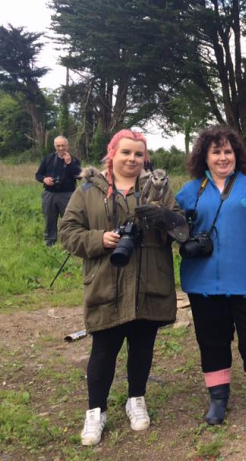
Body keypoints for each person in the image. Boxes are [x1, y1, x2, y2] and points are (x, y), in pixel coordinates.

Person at [59, 130, 185, 446]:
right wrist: (98, 239)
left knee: (143, 346)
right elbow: (68, 232)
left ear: (145, 158)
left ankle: (136, 398)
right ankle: (95, 410)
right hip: (106, 282)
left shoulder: (158, 187)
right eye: (126, 152)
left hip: (150, 282)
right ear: (112, 153)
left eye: (138, 154)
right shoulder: (88, 190)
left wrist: (164, 216)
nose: (132, 159)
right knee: (103, 350)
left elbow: (182, 226)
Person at [176, 125, 246, 428]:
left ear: (236, 154)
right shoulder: (189, 191)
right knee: (212, 342)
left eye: (228, 151)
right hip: (203, 283)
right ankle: (218, 399)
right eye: (216, 152)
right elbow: (174, 229)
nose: (223, 157)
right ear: (205, 157)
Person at [36, 136, 82, 246]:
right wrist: (44, 179)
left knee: (69, 220)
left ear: (67, 145)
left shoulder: (74, 160)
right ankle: (50, 243)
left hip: (67, 195)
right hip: (49, 194)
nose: (61, 148)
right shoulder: (48, 159)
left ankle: (69, 243)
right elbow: (38, 174)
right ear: (55, 146)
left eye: (63, 145)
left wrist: (69, 163)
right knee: (49, 219)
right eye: (58, 146)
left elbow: (79, 176)